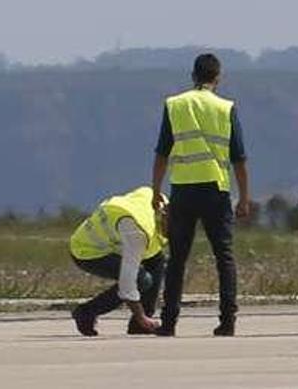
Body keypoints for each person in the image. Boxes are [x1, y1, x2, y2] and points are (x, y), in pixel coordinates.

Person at [151, 53, 251, 336]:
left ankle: (169, 322)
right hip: (216, 191)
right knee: (224, 257)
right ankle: (228, 320)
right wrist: (244, 197)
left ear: (193, 76)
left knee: (177, 258)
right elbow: (239, 158)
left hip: (183, 189)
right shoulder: (225, 108)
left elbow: (161, 153)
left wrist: (156, 191)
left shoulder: (175, 105)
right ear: (217, 78)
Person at [69, 186, 166, 336]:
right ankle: (86, 312)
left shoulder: (155, 197)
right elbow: (128, 283)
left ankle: (140, 324)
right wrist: (141, 317)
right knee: (142, 280)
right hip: (87, 251)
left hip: (116, 239)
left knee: (157, 261)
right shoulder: (138, 232)